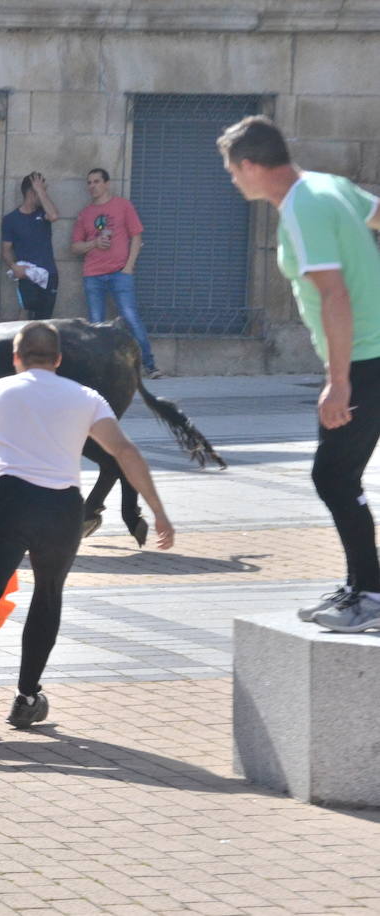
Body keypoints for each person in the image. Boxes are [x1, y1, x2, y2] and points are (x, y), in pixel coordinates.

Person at [0, 321, 173, 758]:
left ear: (16, 357)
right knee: (47, 597)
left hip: (7, 501)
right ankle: (27, 699)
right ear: (59, 359)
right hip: (63, 508)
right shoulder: (86, 398)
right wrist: (157, 512)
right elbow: (125, 453)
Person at [217, 116, 380, 633]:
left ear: (249, 165)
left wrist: (338, 382)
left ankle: (371, 594)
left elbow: (334, 295)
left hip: (364, 357)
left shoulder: (302, 209)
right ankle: (360, 586)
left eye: (232, 171)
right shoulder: (329, 186)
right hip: (371, 352)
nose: (233, 181)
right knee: (339, 475)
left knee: (333, 476)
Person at [73, 168, 161, 378]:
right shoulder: (85, 213)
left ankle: (149, 365)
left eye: (96, 181)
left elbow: (137, 237)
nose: (92, 186)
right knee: (96, 324)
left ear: (106, 183)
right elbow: (75, 247)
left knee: (131, 318)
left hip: (120, 273)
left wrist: (129, 267)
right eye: (89, 182)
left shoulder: (123, 205)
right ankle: (99, 369)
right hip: (93, 275)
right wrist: (94, 242)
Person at [1, 172, 61, 320]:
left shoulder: (43, 213)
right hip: (26, 274)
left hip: (49, 274)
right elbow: (6, 249)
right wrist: (14, 267)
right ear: (31, 192)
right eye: (42, 189)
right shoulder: (11, 219)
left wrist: (40, 191)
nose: (44, 193)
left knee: (45, 320)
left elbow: (53, 216)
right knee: (26, 311)